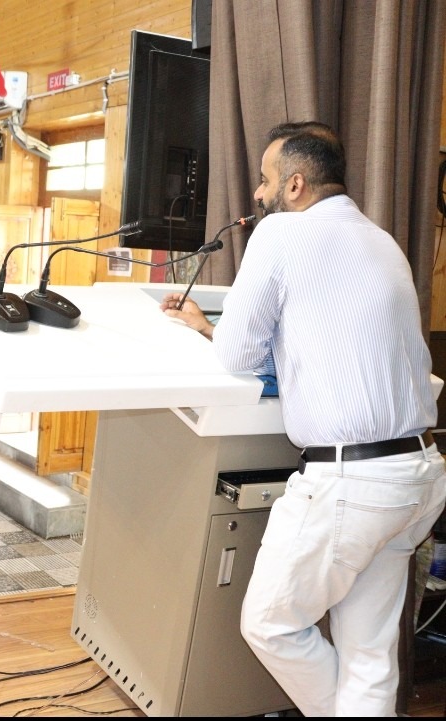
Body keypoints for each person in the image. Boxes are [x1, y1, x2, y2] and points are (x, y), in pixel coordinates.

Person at [159, 121, 446, 717]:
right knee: (369, 654)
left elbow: (238, 354)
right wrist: (212, 326)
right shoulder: (380, 239)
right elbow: (331, 339)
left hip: (352, 484)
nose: (257, 196)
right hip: (416, 477)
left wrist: (212, 332)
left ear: (293, 184)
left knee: (269, 624)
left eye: (265, 182)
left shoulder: (281, 236)